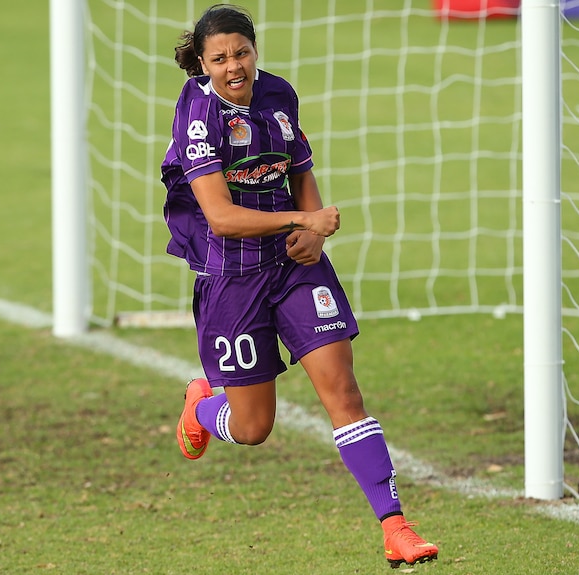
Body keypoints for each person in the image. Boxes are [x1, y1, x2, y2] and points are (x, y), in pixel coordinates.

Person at [160, 4, 438, 569]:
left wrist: (314, 238)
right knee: (254, 426)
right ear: (205, 63)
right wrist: (302, 222)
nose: (233, 66)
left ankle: (396, 527)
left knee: (343, 390)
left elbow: (300, 170)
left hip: (293, 266)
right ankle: (201, 408)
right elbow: (221, 218)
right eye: (220, 58)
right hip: (232, 275)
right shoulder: (196, 112)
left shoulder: (279, 94)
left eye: (241, 52)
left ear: (255, 50)